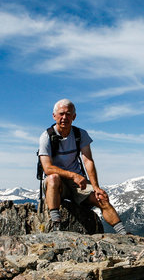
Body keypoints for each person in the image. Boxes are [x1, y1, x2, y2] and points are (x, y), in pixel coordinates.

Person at [38, 99, 128, 234]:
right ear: (54, 116)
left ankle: (123, 233)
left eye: (68, 114)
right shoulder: (46, 136)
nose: (64, 118)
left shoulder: (80, 134)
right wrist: (73, 175)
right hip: (58, 184)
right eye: (61, 114)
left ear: (74, 117)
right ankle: (56, 224)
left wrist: (96, 187)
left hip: (78, 183)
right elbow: (47, 168)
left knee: (101, 198)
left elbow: (88, 161)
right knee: (53, 178)